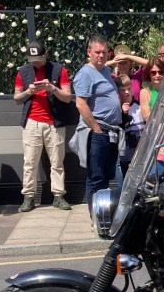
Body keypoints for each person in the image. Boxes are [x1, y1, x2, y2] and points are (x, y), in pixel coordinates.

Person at [13, 40, 72, 212]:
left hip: (55, 122)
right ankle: (28, 197)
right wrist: (28, 92)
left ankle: (58, 196)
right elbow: (16, 98)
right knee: (30, 161)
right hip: (31, 122)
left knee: (57, 161)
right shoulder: (23, 71)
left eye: (38, 59)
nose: (36, 63)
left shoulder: (59, 70)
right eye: (33, 60)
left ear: (45, 55)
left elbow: (67, 97)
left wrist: (52, 88)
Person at [73, 34, 122, 208]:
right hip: (98, 132)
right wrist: (96, 129)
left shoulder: (105, 70)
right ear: (89, 52)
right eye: (97, 52)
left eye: (104, 52)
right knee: (96, 177)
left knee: (106, 177)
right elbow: (80, 104)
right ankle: (95, 215)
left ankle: (103, 213)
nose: (101, 55)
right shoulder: (85, 74)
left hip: (111, 131)